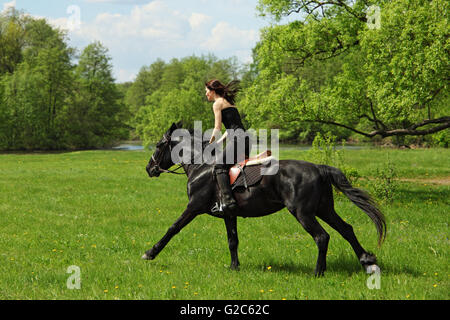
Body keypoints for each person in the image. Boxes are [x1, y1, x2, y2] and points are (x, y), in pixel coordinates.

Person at [205, 79, 251, 215]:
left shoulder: (217, 104)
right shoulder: (230, 103)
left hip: (238, 140)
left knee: (219, 166)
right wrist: (218, 143)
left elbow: (217, 128)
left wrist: (210, 143)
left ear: (212, 91)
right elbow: (230, 128)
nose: (206, 94)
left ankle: (227, 201)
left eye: (207, 91)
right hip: (246, 140)